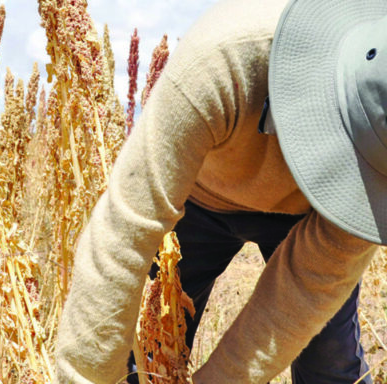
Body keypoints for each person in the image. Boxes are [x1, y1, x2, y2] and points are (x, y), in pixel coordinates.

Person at [55, 0, 387, 382]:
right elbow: (124, 234)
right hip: (197, 202)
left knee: (331, 368)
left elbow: (303, 294)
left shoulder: (373, 175)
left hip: (314, 212)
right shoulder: (222, 59)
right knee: (146, 356)